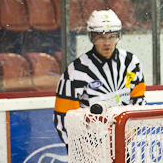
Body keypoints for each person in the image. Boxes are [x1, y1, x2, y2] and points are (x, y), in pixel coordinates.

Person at [53, 9, 145, 146]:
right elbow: (63, 116)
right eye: (101, 37)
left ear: (118, 36)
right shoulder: (76, 70)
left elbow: (138, 101)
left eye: (112, 36)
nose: (107, 42)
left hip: (122, 145)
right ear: (92, 38)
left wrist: (133, 128)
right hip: (89, 148)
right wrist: (81, 148)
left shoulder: (130, 63)